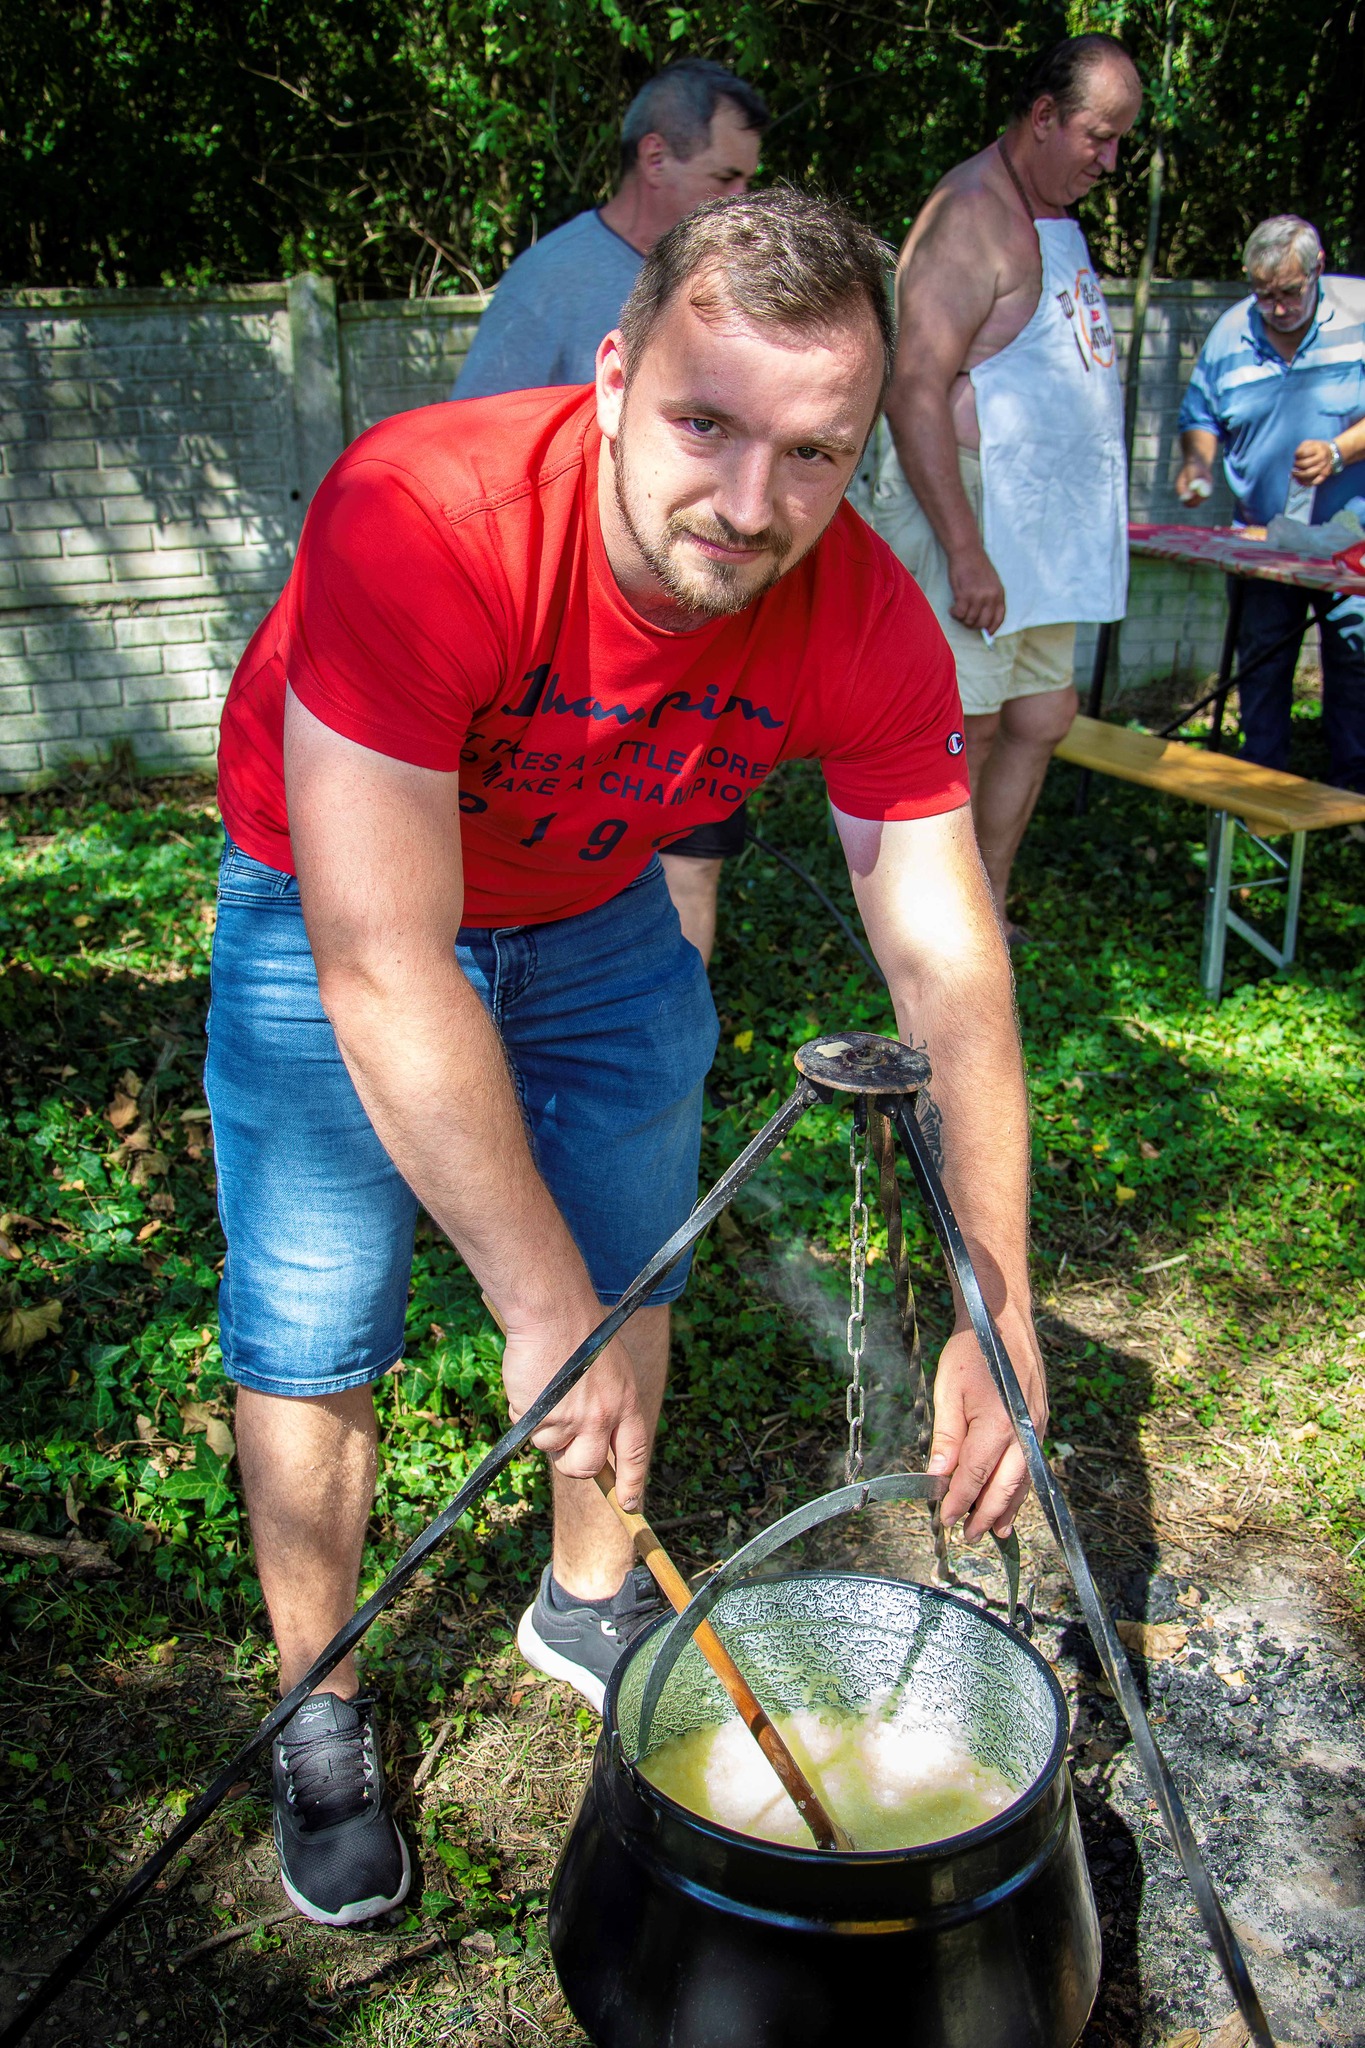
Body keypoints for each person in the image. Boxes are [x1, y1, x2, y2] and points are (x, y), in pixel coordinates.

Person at [210, 189, 1049, 1930]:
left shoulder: (859, 614)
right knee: (316, 1308)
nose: (749, 504)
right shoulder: (421, 514)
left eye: (814, 455)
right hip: (334, 889)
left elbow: (946, 959)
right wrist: (532, 1300)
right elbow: (382, 953)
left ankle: (588, 1597)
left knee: (633, 1243)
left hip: (593, 895)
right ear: (611, 375)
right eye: (704, 423)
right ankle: (319, 1705)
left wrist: (996, 1300)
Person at [454, 60, 771, 960]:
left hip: (703, 642)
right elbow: (471, 459)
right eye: (725, 177)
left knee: (692, 862)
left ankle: (674, 1034)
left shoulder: (736, 285)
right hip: (571, 660)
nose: (742, 203)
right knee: (553, 880)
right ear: (655, 157)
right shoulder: (553, 281)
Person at [873, 34, 1142, 944]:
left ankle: (983, 915)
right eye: (1098, 136)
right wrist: (963, 549)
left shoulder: (1050, 213)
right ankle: (930, 936)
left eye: (1118, 139)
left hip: (1042, 525)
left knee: (1040, 714)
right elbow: (911, 390)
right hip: (971, 512)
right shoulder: (970, 215)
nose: (1110, 160)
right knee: (966, 725)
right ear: (1042, 117)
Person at [1176, 215, 1365, 792]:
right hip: (1262, 543)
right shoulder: (1230, 333)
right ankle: (1259, 798)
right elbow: (1200, 415)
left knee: (1357, 665)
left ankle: (1351, 801)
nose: (1276, 307)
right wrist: (1197, 464)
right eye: (1263, 294)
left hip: (1352, 546)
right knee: (1260, 665)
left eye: (1289, 292)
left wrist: (1339, 452)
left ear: (1318, 269)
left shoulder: (1358, 311)